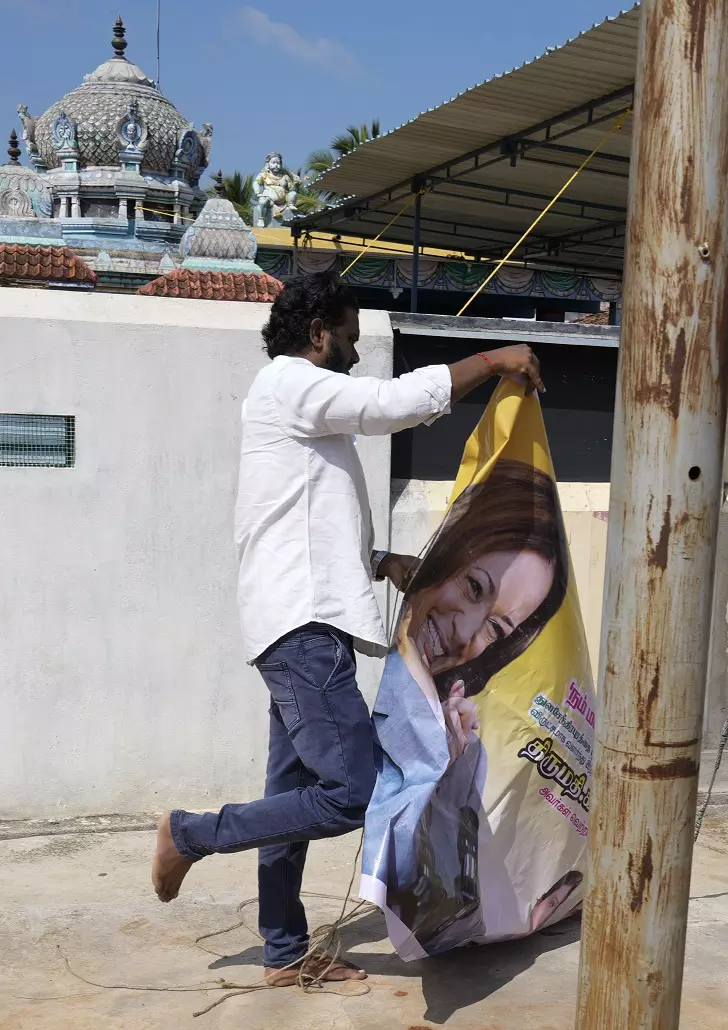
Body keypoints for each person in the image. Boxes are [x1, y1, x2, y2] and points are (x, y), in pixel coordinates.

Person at [150, 272, 543, 985]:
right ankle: (188, 834)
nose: (356, 356)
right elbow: (388, 405)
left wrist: (376, 559)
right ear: (318, 334)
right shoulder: (289, 384)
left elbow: (296, 519)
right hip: (301, 628)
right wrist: (491, 361)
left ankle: (282, 951)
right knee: (348, 792)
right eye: (351, 341)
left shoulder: (291, 404)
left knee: (290, 796)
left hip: (300, 622)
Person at [378, 459, 571, 953]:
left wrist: (447, 787)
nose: (466, 632)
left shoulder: (465, 747)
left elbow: (442, 918)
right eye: (474, 587)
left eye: (495, 629)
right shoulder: (387, 697)